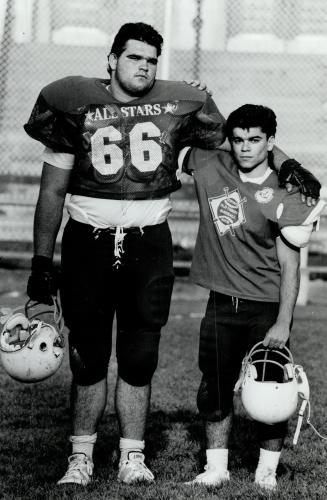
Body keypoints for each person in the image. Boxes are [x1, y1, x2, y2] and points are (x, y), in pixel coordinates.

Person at [23, 21, 320, 487]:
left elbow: (245, 139)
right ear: (111, 58)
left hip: (149, 240)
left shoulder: (179, 103)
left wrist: (287, 163)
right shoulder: (71, 99)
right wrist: (42, 263)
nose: (143, 66)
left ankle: (132, 456)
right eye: (134, 56)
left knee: (140, 357)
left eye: (151, 59)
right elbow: (51, 190)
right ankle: (80, 456)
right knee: (88, 357)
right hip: (87, 239)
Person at [180, 104, 325, 491]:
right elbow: (188, 131)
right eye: (239, 139)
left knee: (272, 388)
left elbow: (290, 267)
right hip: (221, 300)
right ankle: (216, 467)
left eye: (255, 140)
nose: (245, 148)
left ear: (270, 142)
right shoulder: (210, 166)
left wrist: (283, 321)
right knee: (213, 386)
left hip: (264, 306)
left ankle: (266, 471)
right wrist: (201, 97)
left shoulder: (285, 190)